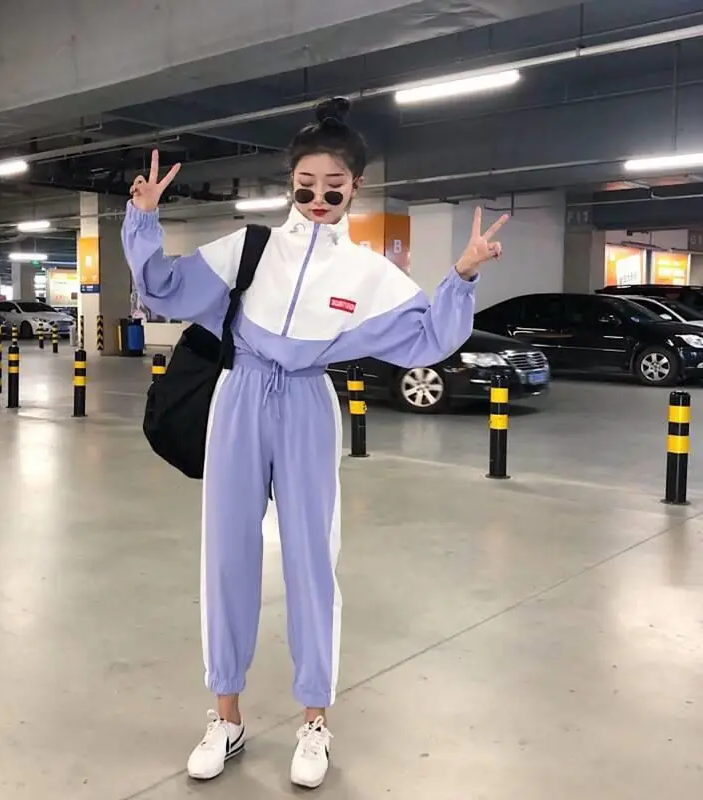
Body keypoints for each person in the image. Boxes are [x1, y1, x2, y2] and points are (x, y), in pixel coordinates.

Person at [122, 97, 507, 789]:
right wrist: (143, 219)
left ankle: (314, 723)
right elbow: (163, 287)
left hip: (306, 403)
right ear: (290, 183)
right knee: (226, 556)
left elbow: (427, 337)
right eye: (307, 185)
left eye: (334, 187)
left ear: (355, 187)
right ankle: (226, 716)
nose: (320, 199)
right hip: (238, 396)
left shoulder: (366, 273)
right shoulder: (248, 249)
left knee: (311, 562)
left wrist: (464, 276)